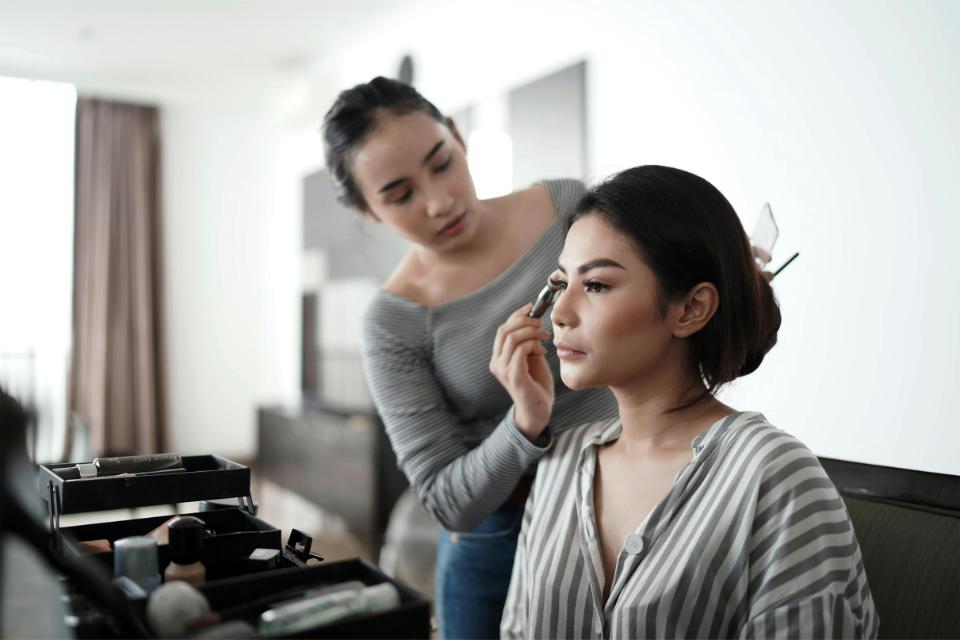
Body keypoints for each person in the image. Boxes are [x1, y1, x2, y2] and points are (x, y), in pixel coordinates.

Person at [500, 166, 878, 638]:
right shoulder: (561, 460)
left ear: (691, 308)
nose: (559, 312)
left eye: (595, 285)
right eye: (561, 283)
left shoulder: (773, 477)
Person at [321, 77, 617, 639]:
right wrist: (525, 422)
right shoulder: (394, 322)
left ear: (458, 136)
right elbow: (448, 502)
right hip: (502, 541)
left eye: (441, 162)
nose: (439, 201)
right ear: (367, 210)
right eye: (400, 194)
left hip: (633, 500)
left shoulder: (565, 206)